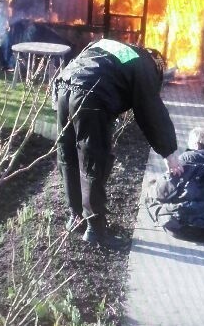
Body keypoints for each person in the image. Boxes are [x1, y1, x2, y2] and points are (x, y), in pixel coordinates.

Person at [53, 38, 183, 246]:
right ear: (157, 67)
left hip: (64, 86)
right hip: (90, 95)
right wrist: (170, 153)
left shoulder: (114, 47)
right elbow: (151, 111)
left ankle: (75, 216)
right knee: (93, 161)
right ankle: (95, 230)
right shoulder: (146, 65)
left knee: (68, 154)